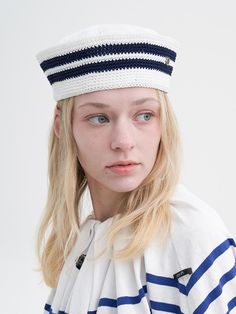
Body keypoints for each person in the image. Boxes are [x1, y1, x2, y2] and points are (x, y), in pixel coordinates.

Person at [35, 24, 236, 314]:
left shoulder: (189, 236)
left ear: (163, 122)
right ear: (61, 126)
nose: (123, 142)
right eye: (99, 118)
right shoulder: (82, 243)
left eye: (144, 115)